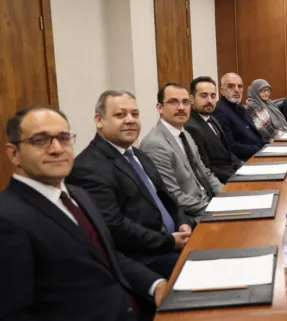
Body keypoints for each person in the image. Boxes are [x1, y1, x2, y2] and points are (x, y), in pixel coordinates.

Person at [0, 105, 166, 321]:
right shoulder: (7, 218)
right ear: (14, 154)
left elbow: (107, 256)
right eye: (40, 140)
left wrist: (156, 285)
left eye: (63, 138)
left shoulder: (79, 195)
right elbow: (14, 312)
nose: (57, 149)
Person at [67, 90, 193, 279]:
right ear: (99, 120)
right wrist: (169, 241)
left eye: (135, 114)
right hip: (145, 259)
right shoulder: (88, 167)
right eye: (120, 115)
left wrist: (182, 222)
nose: (130, 120)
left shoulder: (138, 155)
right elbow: (115, 227)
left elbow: (168, 198)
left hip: (174, 241)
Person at [140, 83, 223, 220]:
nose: (181, 107)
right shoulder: (155, 145)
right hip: (192, 216)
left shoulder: (185, 134)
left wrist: (227, 195)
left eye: (185, 102)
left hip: (209, 203)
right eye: (173, 102)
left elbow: (205, 173)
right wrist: (215, 208)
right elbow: (174, 196)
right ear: (160, 107)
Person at [185, 77, 242, 183]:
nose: (209, 100)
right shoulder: (190, 127)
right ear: (191, 99)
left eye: (213, 96)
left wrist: (244, 169)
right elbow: (206, 168)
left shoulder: (213, 119)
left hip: (234, 174)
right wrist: (237, 179)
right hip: (223, 182)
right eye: (203, 95)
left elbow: (228, 153)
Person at [212, 72, 266, 161]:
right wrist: (259, 150)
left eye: (240, 86)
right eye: (231, 86)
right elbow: (230, 146)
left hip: (259, 153)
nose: (236, 90)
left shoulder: (240, 107)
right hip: (245, 159)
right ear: (222, 91)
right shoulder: (219, 110)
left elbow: (255, 134)